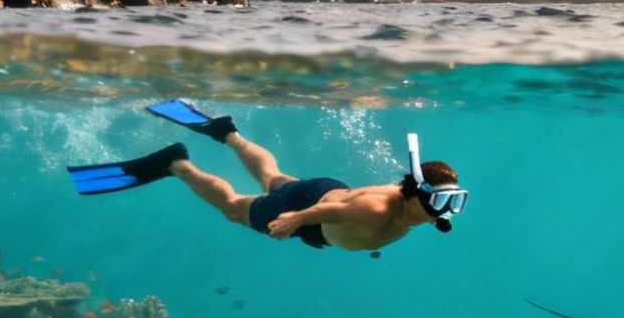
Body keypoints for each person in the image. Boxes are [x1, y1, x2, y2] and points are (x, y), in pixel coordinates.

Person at [68, 100, 467, 252]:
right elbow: (332, 213)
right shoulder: (378, 211)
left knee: (274, 176)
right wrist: (293, 221)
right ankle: (177, 164)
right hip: (313, 214)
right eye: (440, 200)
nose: (445, 210)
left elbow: (341, 203)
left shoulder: (406, 196)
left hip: (326, 191)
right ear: (417, 193)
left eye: (454, 201)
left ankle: (227, 132)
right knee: (233, 209)